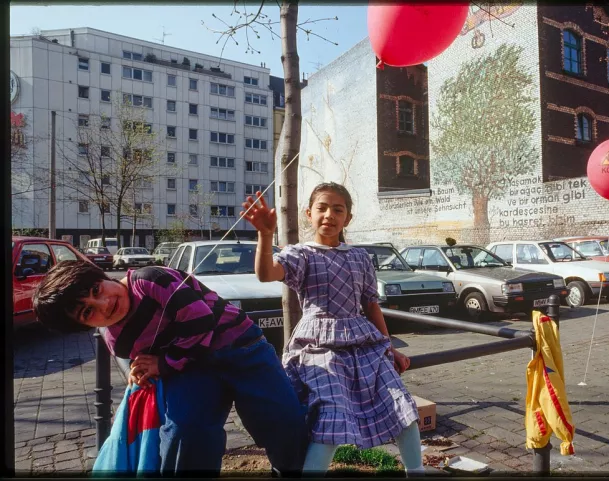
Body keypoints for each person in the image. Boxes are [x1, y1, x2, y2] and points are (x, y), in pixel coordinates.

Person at [32, 261, 308, 476]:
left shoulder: (149, 280)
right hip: (192, 369)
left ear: (101, 275)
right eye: (88, 312)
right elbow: (147, 360)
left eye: (96, 290)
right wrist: (141, 370)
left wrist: (164, 363)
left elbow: (201, 322)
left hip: (243, 349)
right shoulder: (119, 342)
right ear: (85, 327)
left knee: (283, 421)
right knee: (183, 432)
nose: (104, 304)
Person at [242, 182, 424, 477]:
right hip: (318, 347)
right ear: (308, 214)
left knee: (403, 408)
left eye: (337, 209)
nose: (329, 215)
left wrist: (389, 347)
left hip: (364, 344)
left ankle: (417, 472)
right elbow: (266, 274)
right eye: (322, 208)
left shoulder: (361, 257)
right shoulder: (300, 254)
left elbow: (371, 305)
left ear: (348, 218)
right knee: (331, 417)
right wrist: (265, 235)